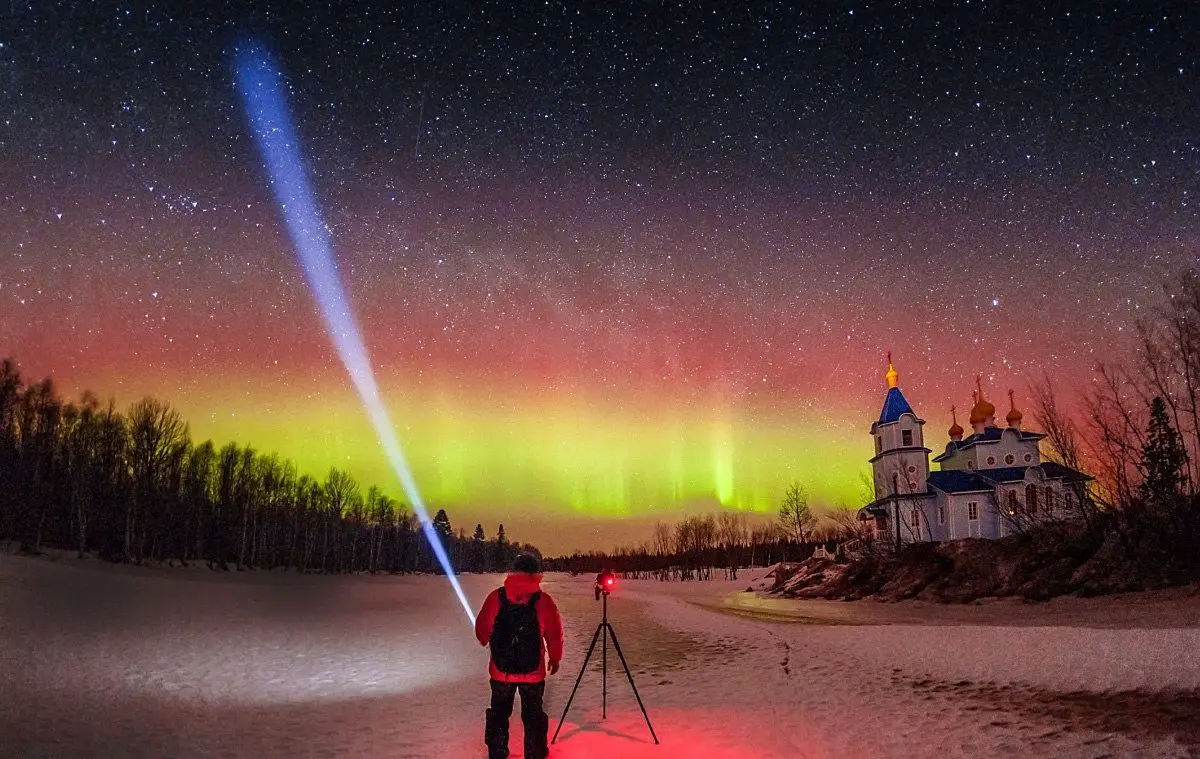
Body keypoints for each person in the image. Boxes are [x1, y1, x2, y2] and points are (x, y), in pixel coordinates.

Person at [474, 553, 564, 759]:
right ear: (536, 574)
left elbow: (481, 632)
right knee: (533, 715)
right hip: (533, 673)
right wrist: (555, 657)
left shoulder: (496, 597)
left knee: (499, 712)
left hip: (500, 672)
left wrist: (488, 639)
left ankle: (497, 752)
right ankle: (536, 752)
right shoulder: (544, 601)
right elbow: (554, 633)